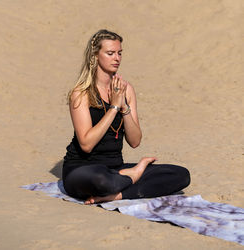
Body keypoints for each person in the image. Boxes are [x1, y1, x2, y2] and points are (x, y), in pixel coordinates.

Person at [62, 29, 190, 204]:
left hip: (116, 169)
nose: (117, 58)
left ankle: (116, 194)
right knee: (101, 180)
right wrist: (114, 107)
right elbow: (86, 144)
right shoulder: (81, 93)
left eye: (119, 53)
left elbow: (135, 141)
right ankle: (132, 176)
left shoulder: (126, 89)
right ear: (95, 56)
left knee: (180, 175)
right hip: (83, 169)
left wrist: (124, 107)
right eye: (110, 53)